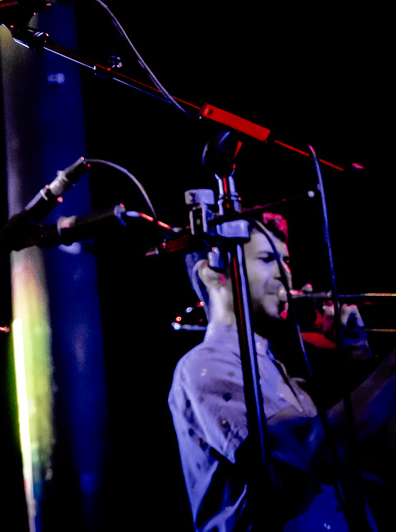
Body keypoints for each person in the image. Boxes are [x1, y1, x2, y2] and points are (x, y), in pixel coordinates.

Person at [168, 212, 395, 531]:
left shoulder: (277, 365)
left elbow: (371, 456)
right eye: (266, 259)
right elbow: (302, 455)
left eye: (286, 262)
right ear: (212, 273)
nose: (287, 277)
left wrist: (357, 354)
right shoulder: (204, 365)